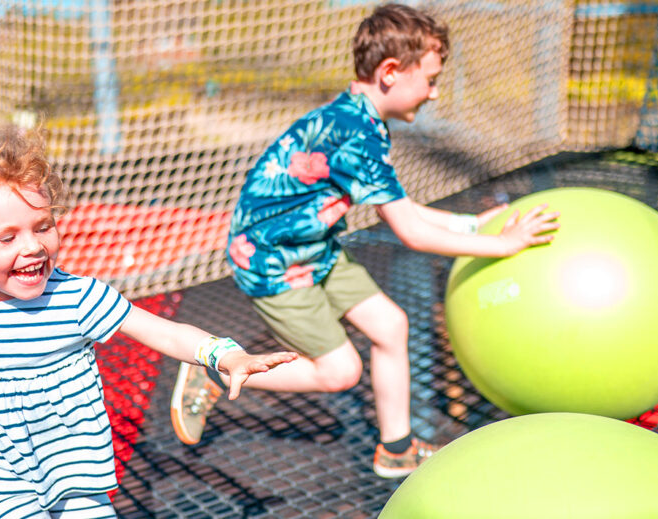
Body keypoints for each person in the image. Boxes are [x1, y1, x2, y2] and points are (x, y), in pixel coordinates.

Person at [170, 2, 559, 479]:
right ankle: (218, 371)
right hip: (272, 265)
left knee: (390, 325)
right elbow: (412, 232)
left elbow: (404, 207)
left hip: (315, 252)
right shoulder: (358, 137)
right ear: (391, 72)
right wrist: (508, 244)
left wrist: (473, 226)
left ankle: (395, 449)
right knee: (341, 372)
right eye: (431, 80)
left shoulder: (358, 120)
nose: (435, 94)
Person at [0, 127, 297, 518]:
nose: (33, 246)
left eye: (43, 227)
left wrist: (224, 355)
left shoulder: (75, 297)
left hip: (71, 457)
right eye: (7, 238)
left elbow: (160, 330)